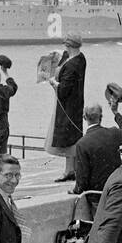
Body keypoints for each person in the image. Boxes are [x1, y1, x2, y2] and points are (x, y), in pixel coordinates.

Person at [72, 100, 122, 199]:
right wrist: (115, 112)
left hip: (97, 195)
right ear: (101, 117)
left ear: (84, 117)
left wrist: (76, 190)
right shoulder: (113, 133)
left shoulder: (82, 143)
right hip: (116, 189)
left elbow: (82, 177)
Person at [47, 35, 87, 182]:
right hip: (77, 103)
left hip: (67, 105)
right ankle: (72, 169)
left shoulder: (71, 65)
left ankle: (69, 171)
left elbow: (63, 90)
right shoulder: (81, 58)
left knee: (67, 137)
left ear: (68, 45)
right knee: (74, 135)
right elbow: (67, 57)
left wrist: (53, 83)